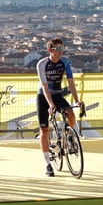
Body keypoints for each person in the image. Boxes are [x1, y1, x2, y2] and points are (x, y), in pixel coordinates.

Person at [36, 38, 84, 177]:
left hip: (57, 94)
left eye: (62, 48)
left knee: (71, 115)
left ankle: (68, 136)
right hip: (43, 96)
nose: (60, 51)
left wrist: (77, 100)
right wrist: (51, 105)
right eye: (57, 49)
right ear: (50, 50)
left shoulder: (65, 62)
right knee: (44, 130)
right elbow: (44, 87)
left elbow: (71, 82)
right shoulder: (42, 64)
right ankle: (47, 164)